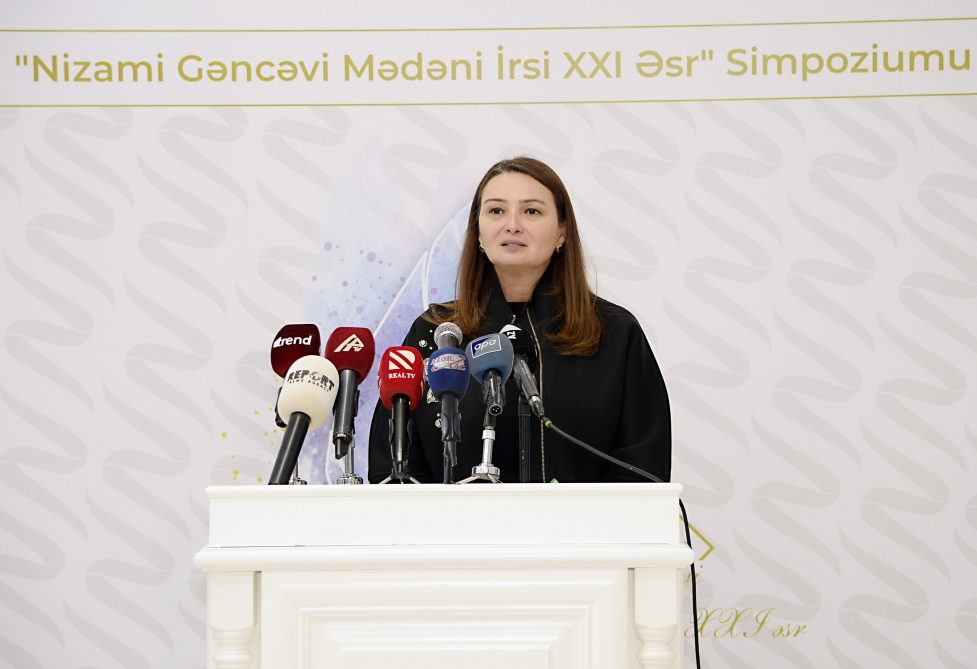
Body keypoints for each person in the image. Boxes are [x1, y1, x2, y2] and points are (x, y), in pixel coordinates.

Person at [368, 157, 670, 484]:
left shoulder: (614, 333)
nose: (512, 225)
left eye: (532, 211)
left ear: (562, 232)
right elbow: (393, 469)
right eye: (496, 210)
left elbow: (643, 470)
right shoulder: (436, 332)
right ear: (478, 232)